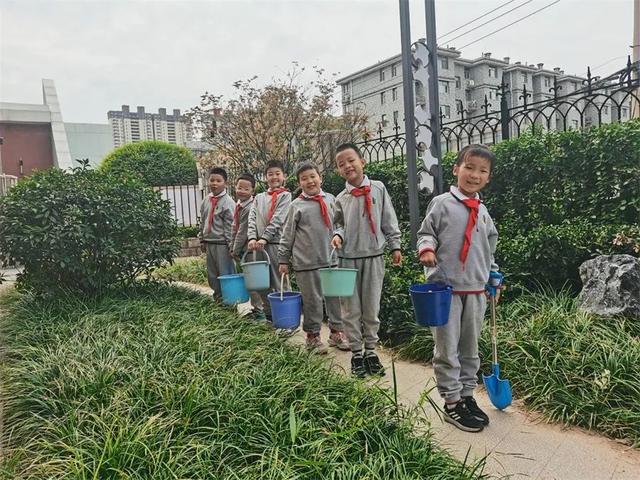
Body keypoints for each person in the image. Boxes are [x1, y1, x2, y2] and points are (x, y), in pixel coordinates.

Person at [417, 144, 501, 433]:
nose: (474, 175)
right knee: (447, 349)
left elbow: (489, 250)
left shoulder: (484, 212)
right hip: (446, 291)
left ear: (488, 177)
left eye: (482, 171)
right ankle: (451, 402)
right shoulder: (441, 204)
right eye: (469, 167)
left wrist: (493, 278)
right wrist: (427, 249)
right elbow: (425, 233)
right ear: (456, 169)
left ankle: (466, 395)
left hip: (476, 292)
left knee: (470, 349)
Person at [331, 143, 402, 377]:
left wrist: (395, 245)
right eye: (341, 164)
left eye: (351, 160)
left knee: (371, 308)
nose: (347, 166)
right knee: (350, 310)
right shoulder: (340, 198)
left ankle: (371, 351)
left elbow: (388, 219)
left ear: (362, 161)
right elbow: (337, 224)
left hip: (373, 257)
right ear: (338, 171)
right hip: (345, 261)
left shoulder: (378, 189)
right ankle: (356, 354)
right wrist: (338, 236)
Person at [278, 163, 350, 354]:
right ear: (299, 183)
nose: (309, 181)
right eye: (304, 178)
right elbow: (287, 235)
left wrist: (339, 235)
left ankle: (336, 332)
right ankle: (312, 335)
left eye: (313, 176)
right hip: (306, 263)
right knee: (312, 301)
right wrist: (283, 259)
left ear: (320, 178)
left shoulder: (331, 199)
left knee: (335, 298)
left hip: (330, 259)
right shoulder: (296, 206)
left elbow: (340, 224)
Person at [247, 160, 292, 326]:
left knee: (280, 282)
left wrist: (265, 238)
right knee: (262, 283)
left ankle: (286, 318)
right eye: (270, 174)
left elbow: (278, 219)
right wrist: (252, 237)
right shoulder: (258, 198)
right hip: (258, 246)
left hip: (276, 245)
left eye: (277, 173)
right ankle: (269, 315)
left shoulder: (286, 196)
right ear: (266, 177)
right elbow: (252, 218)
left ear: (284, 176)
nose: (274, 177)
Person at [199, 167, 236, 300]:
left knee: (225, 273)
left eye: (218, 181)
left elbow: (230, 226)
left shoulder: (228, 202)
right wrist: (202, 239)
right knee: (212, 274)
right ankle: (218, 297)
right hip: (210, 243)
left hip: (223, 244)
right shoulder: (206, 200)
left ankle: (229, 300)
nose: (214, 183)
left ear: (225, 183)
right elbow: (203, 221)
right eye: (212, 180)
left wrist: (231, 246)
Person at [230, 172, 263, 315]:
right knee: (250, 281)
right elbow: (234, 227)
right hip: (243, 248)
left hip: (250, 249)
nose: (242, 191)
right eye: (239, 188)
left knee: (253, 282)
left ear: (252, 191)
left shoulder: (249, 208)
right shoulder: (239, 205)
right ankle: (257, 308)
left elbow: (243, 231)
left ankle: (260, 311)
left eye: (246, 189)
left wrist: (235, 250)